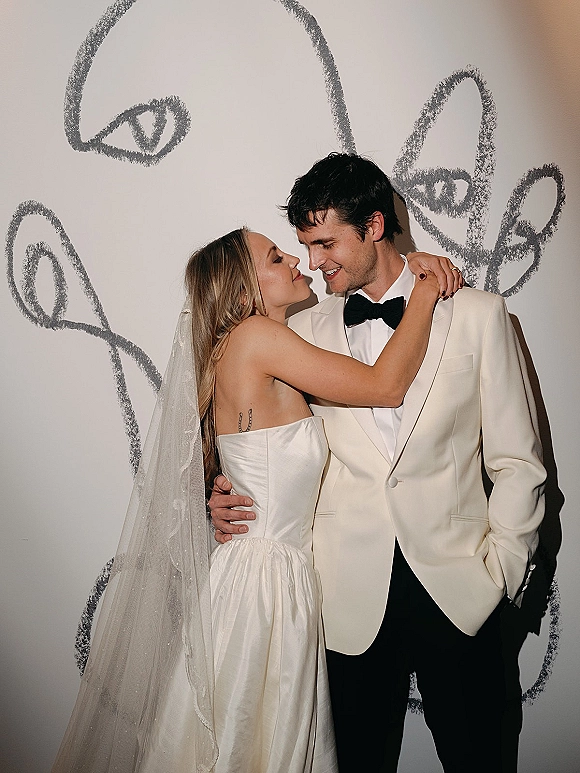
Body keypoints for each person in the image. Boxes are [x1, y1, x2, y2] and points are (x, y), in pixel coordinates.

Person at [51, 223, 458, 773]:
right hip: (264, 586)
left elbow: (250, 456)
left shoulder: (252, 348)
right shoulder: (256, 339)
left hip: (268, 576)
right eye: (274, 256)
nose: (294, 258)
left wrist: (218, 495)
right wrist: (426, 290)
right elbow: (385, 386)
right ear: (246, 292)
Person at [210, 154, 546, 773]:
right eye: (304, 247)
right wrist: (223, 490)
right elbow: (251, 425)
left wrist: (501, 574)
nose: (313, 261)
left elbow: (518, 463)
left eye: (325, 242)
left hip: (462, 593)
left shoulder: (477, 315)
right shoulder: (298, 330)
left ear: (372, 227)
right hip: (345, 603)